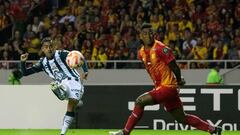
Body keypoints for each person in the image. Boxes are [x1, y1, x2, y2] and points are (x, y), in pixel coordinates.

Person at [109, 23, 222, 135]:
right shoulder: (141, 53)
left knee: (140, 101)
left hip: (168, 87)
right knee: (182, 118)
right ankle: (213, 129)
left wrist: (178, 80)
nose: (148, 35)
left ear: (154, 35)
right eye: (145, 33)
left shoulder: (161, 48)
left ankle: (125, 132)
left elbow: (174, 66)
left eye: (150, 33)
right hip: (162, 88)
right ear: (141, 36)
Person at [20, 37, 89, 135]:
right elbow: (25, 73)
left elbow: (80, 57)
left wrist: (85, 71)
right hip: (62, 83)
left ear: (54, 47)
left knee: (71, 105)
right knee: (68, 99)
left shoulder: (62, 54)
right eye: (46, 47)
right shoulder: (42, 63)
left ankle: (69, 98)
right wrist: (23, 62)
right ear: (42, 49)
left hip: (74, 80)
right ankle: (69, 96)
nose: (49, 49)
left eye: (51, 46)